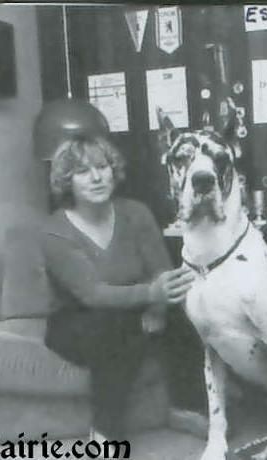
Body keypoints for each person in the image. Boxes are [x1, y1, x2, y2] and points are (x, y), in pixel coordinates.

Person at [41, 134, 195, 440]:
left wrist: (158, 309)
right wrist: (151, 295)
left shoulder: (136, 213)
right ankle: (104, 431)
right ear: (67, 181)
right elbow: (92, 294)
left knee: (193, 313)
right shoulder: (55, 231)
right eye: (83, 171)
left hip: (137, 309)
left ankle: (195, 408)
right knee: (112, 329)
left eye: (102, 167)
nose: (97, 178)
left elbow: (162, 272)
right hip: (77, 320)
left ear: (113, 170)